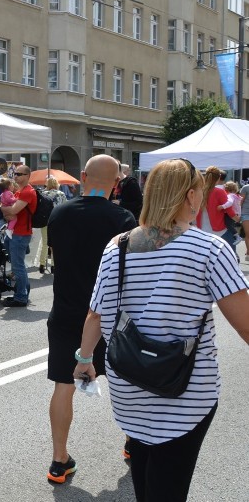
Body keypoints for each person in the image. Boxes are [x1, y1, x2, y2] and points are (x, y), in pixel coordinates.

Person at [74, 158, 249, 502]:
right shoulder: (210, 249)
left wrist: (83, 359)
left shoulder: (117, 246)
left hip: (128, 384)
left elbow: (95, 314)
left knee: (144, 466)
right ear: (190, 197)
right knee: (171, 482)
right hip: (184, 391)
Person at [45, 155, 136, 484]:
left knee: (63, 384)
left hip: (67, 312)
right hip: (111, 316)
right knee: (125, 384)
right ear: (116, 183)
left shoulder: (59, 212)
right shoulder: (124, 218)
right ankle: (132, 444)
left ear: (83, 177)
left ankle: (58, 461)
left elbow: (57, 255)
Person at [1, 165, 37, 307]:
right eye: (15, 173)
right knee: (17, 266)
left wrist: (5, 210)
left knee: (18, 267)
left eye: (20, 174)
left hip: (21, 234)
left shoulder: (28, 191)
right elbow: (6, 212)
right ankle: (22, 293)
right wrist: (6, 210)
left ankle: (21, 297)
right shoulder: (18, 192)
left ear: (28, 176)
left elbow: (14, 210)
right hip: (14, 233)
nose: (16, 176)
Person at [196, 166, 236, 247]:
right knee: (231, 252)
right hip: (219, 230)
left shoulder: (199, 191)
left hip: (201, 229)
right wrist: (239, 220)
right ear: (219, 178)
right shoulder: (220, 192)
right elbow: (230, 211)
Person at [35, 176, 67, 274]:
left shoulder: (43, 194)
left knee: (45, 243)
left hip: (45, 221)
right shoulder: (61, 194)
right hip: (57, 221)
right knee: (55, 243)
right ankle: (54, 266)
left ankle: (42, 265)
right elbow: (65, 207)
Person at [240, 180, 249, 261]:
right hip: (246, 213)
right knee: (248, 233)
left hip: (245, 213)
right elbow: (241, 201)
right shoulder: (246, 187)